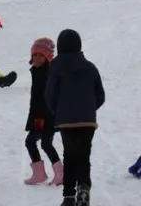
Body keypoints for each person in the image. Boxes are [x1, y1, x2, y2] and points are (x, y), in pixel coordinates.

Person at [45, 29, 105, 206]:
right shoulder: (90, 67)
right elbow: (100, 95)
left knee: (69, 155)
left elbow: (49, 95)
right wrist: (89, 109)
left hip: (65, 121)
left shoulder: (55, 67)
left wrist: (57, 111)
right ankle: (84, 187)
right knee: (84, 156)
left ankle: (69, 196)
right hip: (87, 120)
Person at [24, 38, 63, 186]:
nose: (36, 58)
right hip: (38, 115)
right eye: (34, 55)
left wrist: (42, 116)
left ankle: (60, 173)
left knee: (43, 143)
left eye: (40, 55)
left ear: (48, 57)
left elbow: (48, 97)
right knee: (33, 142)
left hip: (46, 116)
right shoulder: (37, 71)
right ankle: (39, 173)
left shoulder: (47, 73)